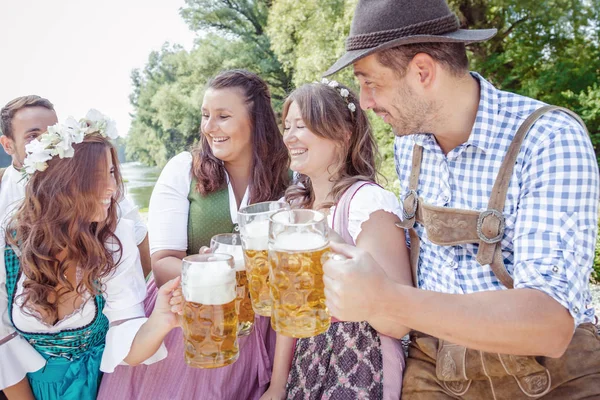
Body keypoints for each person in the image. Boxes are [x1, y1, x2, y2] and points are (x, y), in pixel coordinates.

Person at [320, 0, 600, 398]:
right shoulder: (410, 144)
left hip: (551, 377)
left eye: (370, 82)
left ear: (422, 72)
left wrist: (386, 296)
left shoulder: (549, 138)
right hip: (438, 371)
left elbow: (550, 326)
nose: (364, 102)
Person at [97, 69, 290, 400]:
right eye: (205, 115)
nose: (209, 127)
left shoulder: (289, 178)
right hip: (187, 320)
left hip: (260, 328)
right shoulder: (183, 169)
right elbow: (161, 266)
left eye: (223, 116)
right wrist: (213, 269)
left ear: (255, 120)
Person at [0, 113, 184, 400]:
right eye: (96, 177)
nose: (111, 188)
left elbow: (131, 349)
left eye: (112, 173)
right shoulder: (8, 246)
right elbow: (4, 350)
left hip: (105, 389)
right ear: (61, 183)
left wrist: (161, 320)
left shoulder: (114, 241)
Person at [260, 81, 411, 400]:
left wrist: (328, 247)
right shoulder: (293, 207)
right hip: (305, 363)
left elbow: (398, 322)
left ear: (343, 134)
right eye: (287, 126)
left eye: (301, 126)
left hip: (358, 361)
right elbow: (291, 309)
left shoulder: (367, 204)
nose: (288, 137)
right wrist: (277, 386)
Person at [0, 96, 152, 278]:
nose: (47, 143)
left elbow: (138, 238)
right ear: (8, 145)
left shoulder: (95, 184)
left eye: (52, 133)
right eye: (33, 136)